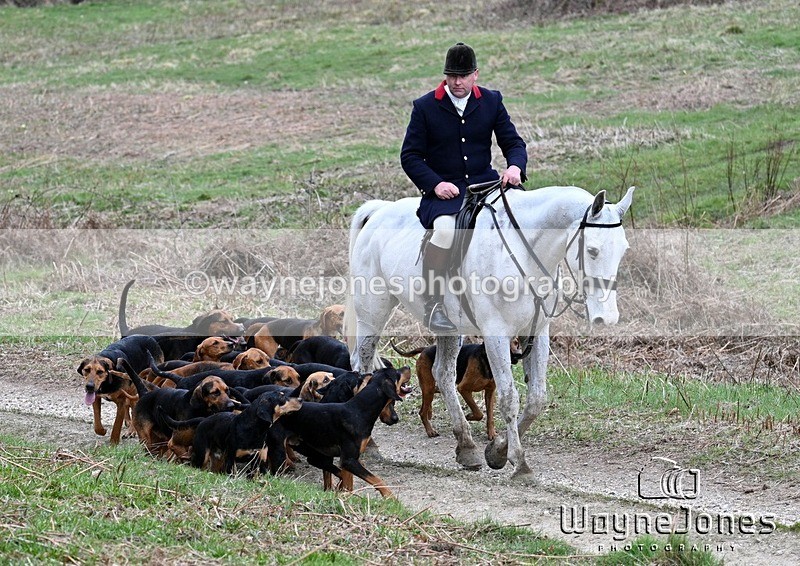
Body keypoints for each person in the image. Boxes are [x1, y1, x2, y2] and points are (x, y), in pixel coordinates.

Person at [401, 42, 528, 332]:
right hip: (445, 195)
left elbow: (513, 142)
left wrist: (515, 166)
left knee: (519, 220)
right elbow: (409, 156)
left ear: (476, 75)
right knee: (445, 232)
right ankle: (433, 304)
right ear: (445, 76)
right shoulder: (425, 107)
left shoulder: (492, 101)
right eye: (452, 76)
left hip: (487, 185)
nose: (458, 82)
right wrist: (435, 184)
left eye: (464, 75)